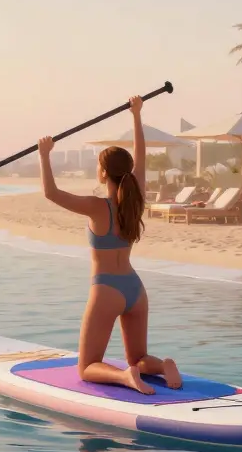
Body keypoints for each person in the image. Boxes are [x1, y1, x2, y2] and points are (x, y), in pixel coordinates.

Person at [37, 95, 182, 395]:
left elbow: (50, 193)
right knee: (139, 357)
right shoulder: (136, 199)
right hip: (135, 288)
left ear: (103, 173)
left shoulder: (96, 207)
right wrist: (136, 115)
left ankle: (125, 378)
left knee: (88, 366)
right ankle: (161, 366)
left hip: (106, 290)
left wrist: (44, 153)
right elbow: (141, 156)